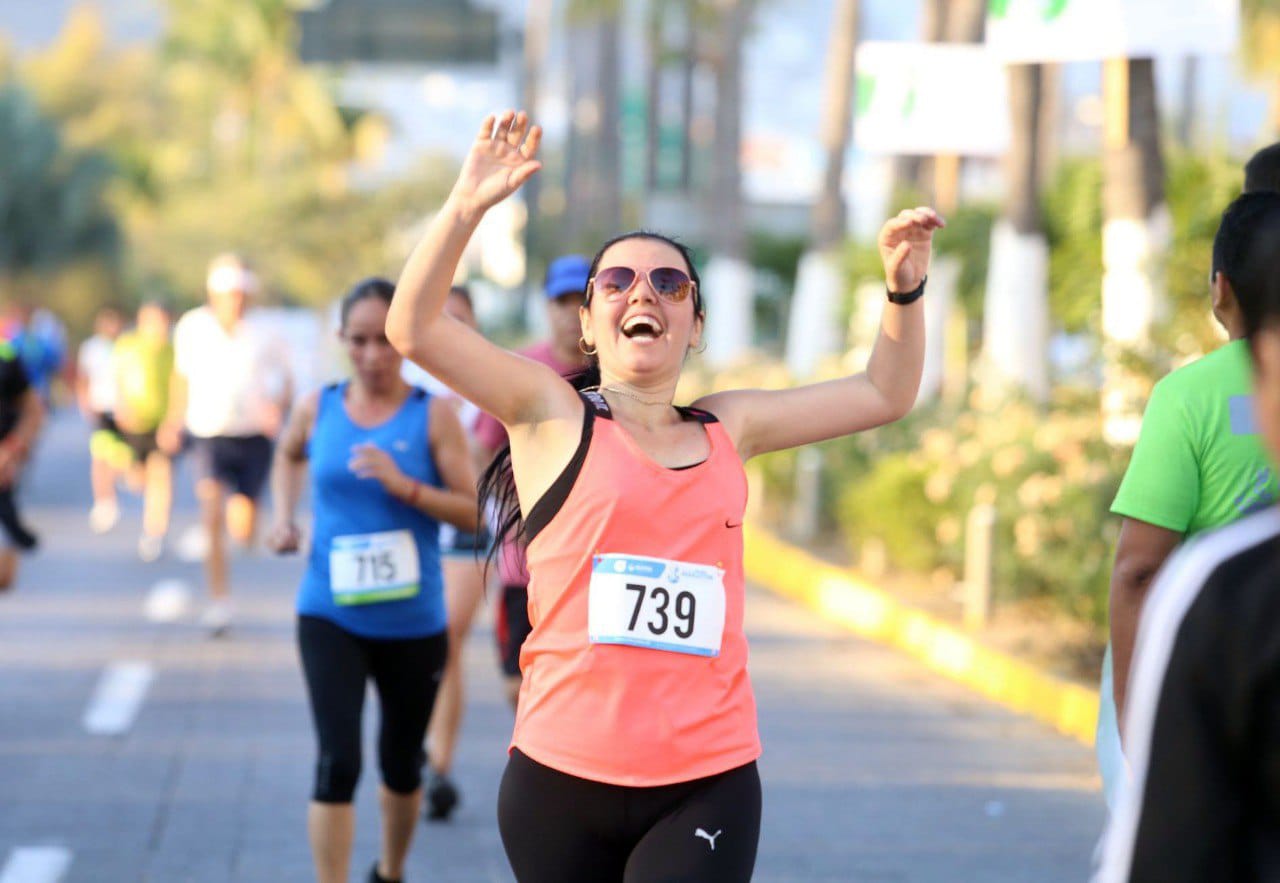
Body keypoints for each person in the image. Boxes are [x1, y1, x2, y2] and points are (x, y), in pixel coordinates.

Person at [386, 110, 940, 882]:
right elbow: (411, 329)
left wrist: (902, 291)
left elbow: (885, 391)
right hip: (560, 772)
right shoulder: (549, 412)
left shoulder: (731, 427)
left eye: (668, 282)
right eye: (616, 281)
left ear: (694, 323)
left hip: (705, 779)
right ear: (588, 322)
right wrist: (466, 207)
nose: (642, 292)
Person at [1093, 190, 1280, 883]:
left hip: (1215, 664)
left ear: (1221, 289)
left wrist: (1136, 721)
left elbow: (1139, 570)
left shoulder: (1189, 394)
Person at [268, 277, 477, 883]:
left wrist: (404, 486)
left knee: (400, 766)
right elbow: (286, 454)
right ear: (341, 341)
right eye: (358, 341)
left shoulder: (431, 416)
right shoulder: (318, 406)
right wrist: (283, 519)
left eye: (384, 341)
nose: (372, 355)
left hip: (414, 621)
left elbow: (471, 510)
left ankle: (391, 870)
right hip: (329, 612)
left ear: (404, 343)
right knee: (338, 762)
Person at [473, 255, 591, 714]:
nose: (570, 312)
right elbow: (484, 446)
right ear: (547, 307)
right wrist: (512, 513)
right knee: (516, 688)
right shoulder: (521, 369)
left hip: (588, 563)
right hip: (525, 564)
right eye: (560, 301)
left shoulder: (618, 376)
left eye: (580, 300)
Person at [402, 284, 499, 822]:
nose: (450, 330)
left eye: (460, 320)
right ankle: (411, 739)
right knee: (413, 645)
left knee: (446, 640)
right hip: (412, 527)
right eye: (440, 319)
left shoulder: (492, 382)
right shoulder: (405, 380)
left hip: (468, 524)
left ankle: (437, 765)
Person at [161, 254, 293, 634]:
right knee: (212, 514)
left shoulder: (267, 331)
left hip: (252, 436)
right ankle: (220, 602)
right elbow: (181, 377)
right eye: (227, 294)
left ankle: (243, 529)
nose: (234, 301)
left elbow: (285, 381)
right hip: (207, 433)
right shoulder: (192, 327)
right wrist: (173, 418)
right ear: (213, 294)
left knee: (244, 525)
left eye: (239, 294)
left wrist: (277, 408)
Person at [113, 301, 176, 562]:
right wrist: (121, 408)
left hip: (161, 424)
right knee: (138, 480)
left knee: (161, 477)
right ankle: (131, 474)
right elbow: (117, 379)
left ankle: (154, 533)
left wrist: (173, 421)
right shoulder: (128, 346)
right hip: (133, 423)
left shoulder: (173, 351)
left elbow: (179, 384)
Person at [0, 336, 44, 589]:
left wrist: (12, 449)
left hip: (4, 469)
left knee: (4, 578)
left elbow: (34, 410)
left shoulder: (6, 356)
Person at [77, 306, 125, 534]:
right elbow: (83, 378)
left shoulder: (127, 346)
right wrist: (85, 404)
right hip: (101, 409)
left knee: (121, 457)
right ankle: (104, 501)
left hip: (125, 411)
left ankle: (116, 484)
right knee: (100, 456)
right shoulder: (91, 348)